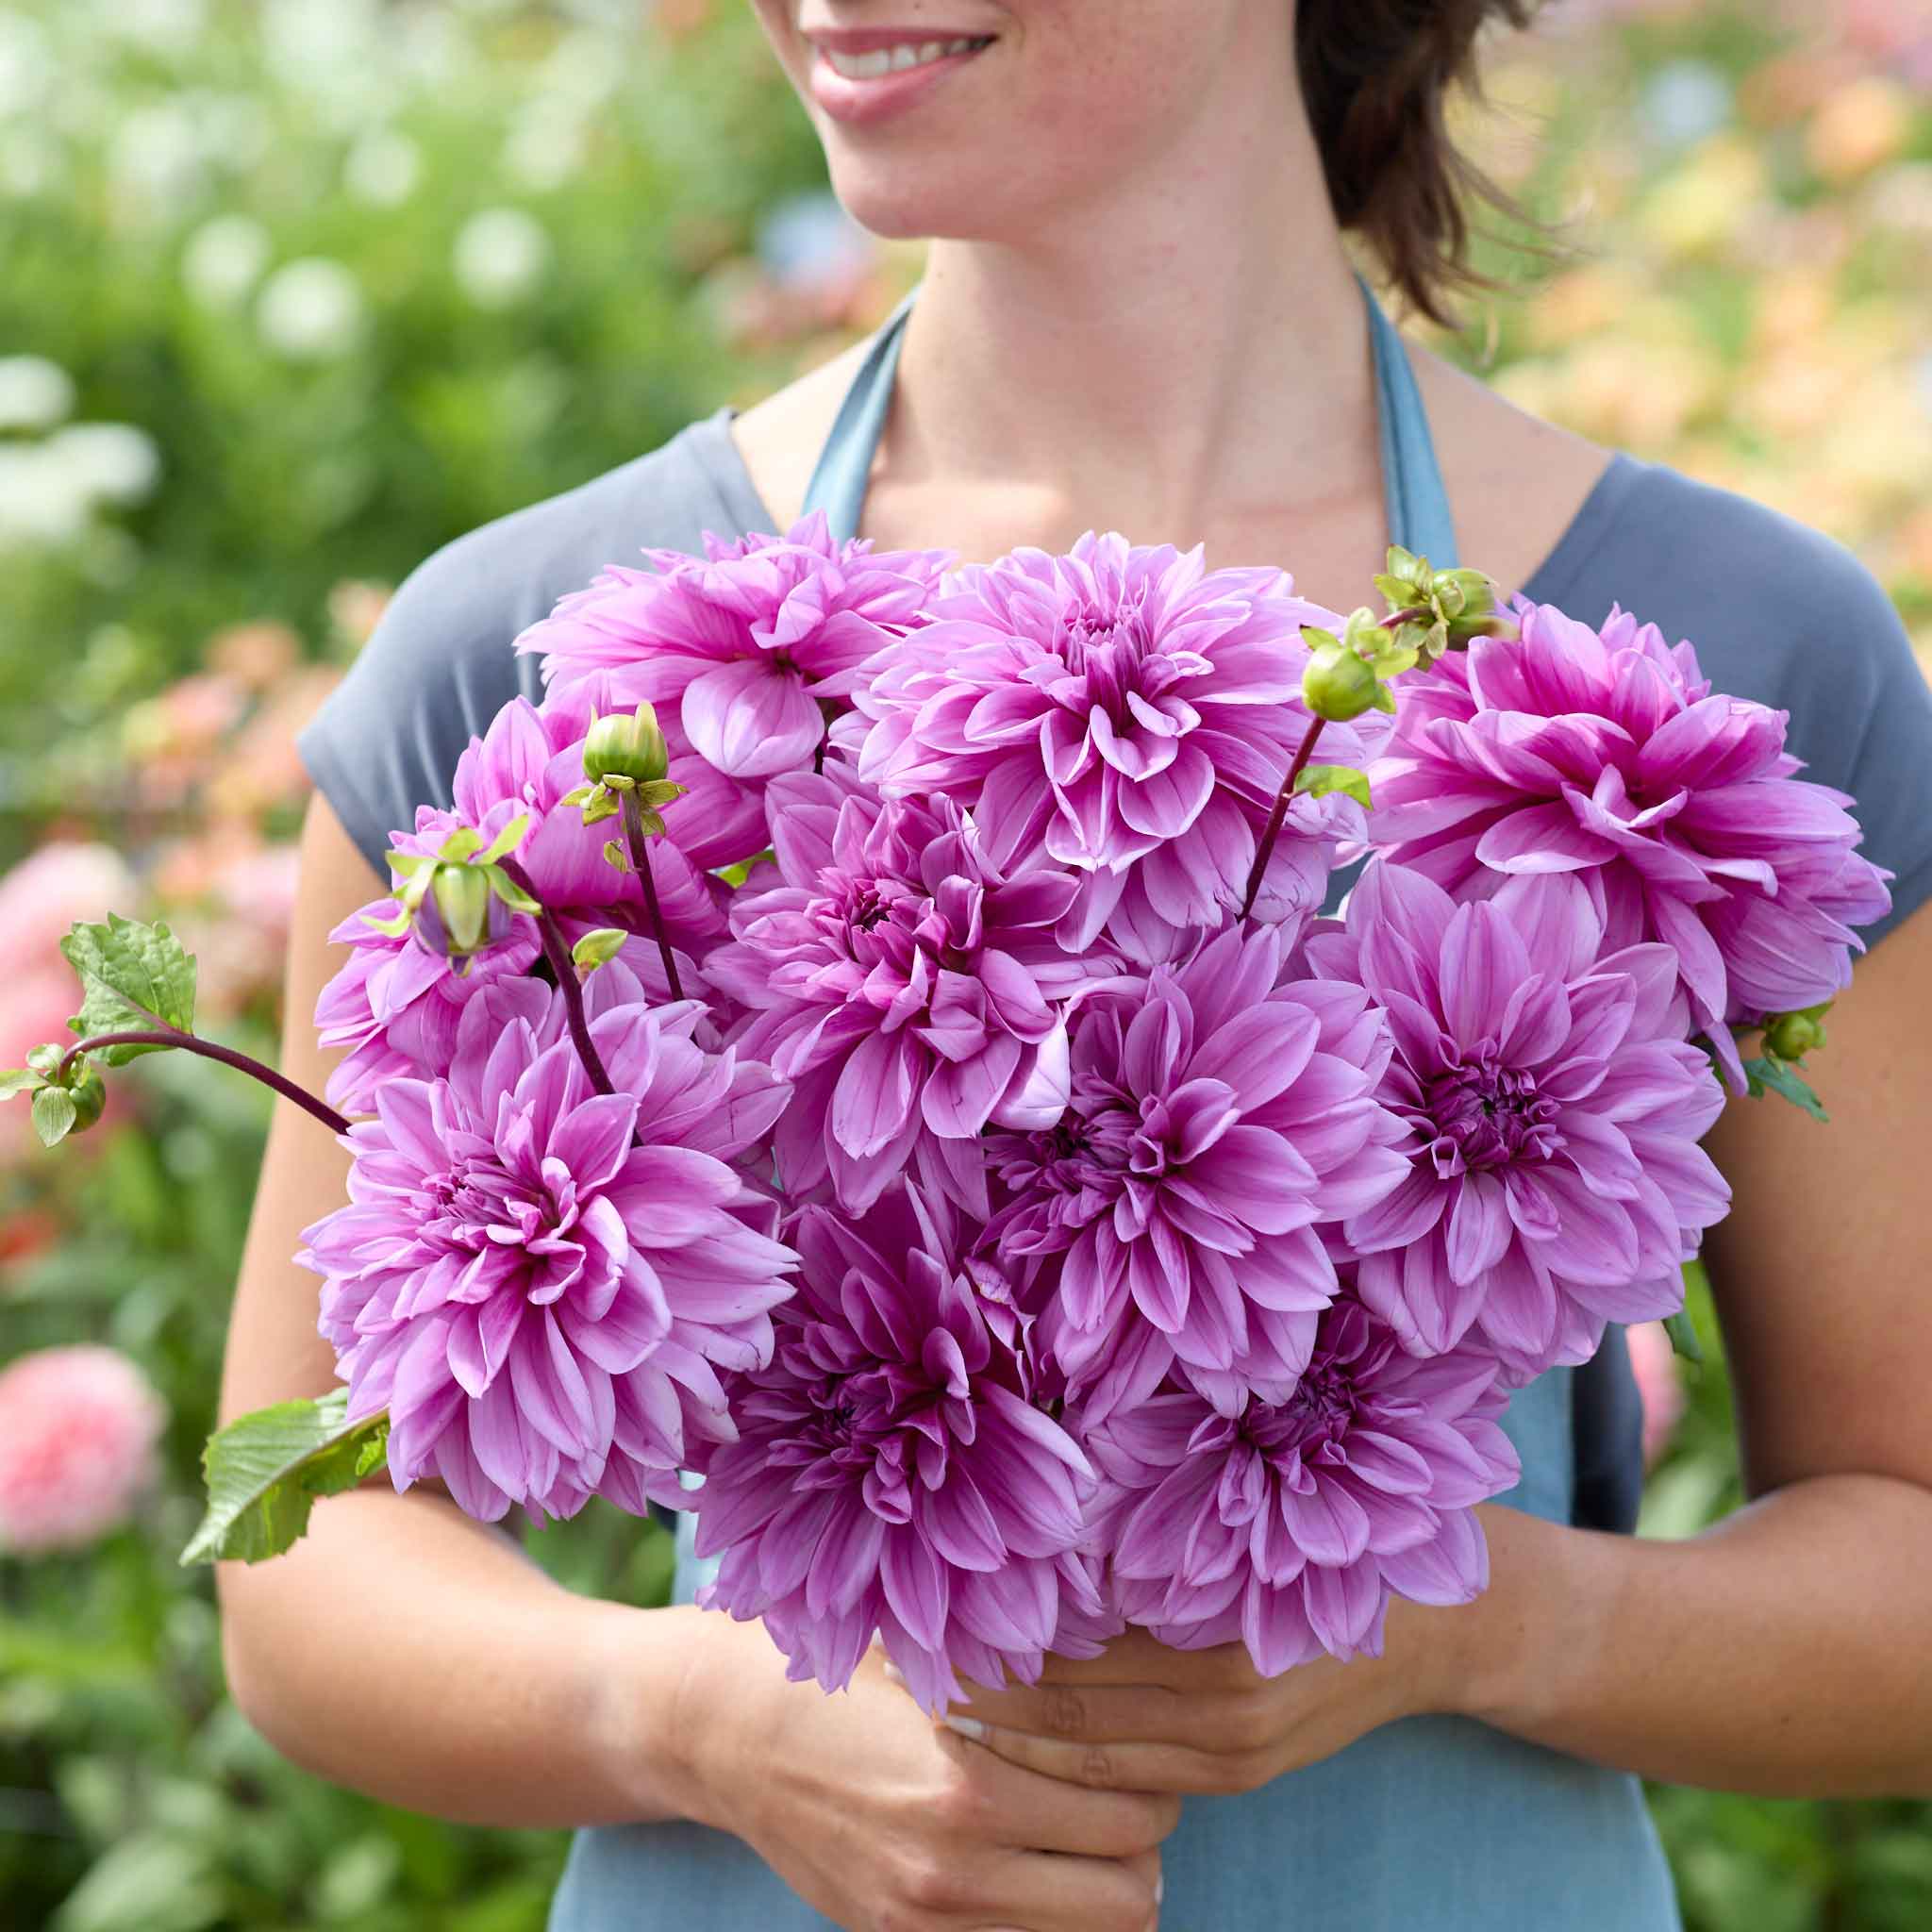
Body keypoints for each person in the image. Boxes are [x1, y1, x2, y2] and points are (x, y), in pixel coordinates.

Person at [216, 4, 1932, 1929]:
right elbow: (303, 1558)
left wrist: (1472, 1622)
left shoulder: (1727, 664)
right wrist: (700, 1715)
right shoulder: (547, 655)